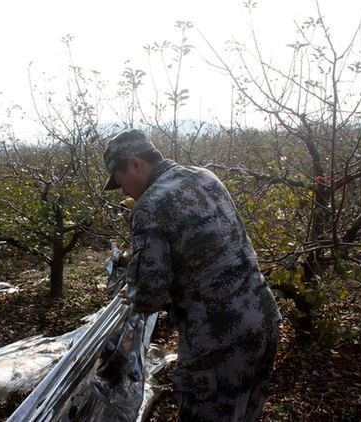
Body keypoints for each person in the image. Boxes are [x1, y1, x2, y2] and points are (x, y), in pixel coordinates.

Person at [102, 128, 281, 422]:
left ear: (135, 163)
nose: (124, 192)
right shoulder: (206, 176)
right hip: (263, 320)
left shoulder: (149, 206)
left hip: (218, 340)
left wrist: (131, 290)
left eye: (121, 182)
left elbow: (150, 294)